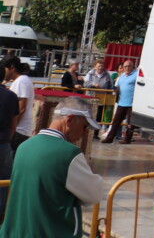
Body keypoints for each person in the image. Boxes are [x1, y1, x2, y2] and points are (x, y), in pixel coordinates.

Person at [0, 99, 105, 238]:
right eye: (85, 126)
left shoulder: (24, 146)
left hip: (18, 231)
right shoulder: (69, 154)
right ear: (70, 120)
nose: (84, 132)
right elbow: (94, 194)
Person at [102, 60, 137, 144]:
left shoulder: (136, 75)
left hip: (132, 103)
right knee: (116, 121)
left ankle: (127, 139)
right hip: (122, 102)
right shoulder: (122, 76)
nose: (127, 68)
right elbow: (118, 86)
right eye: (125, 66)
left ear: (133, 67)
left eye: (129, 66)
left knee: (130, 123)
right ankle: (109, 138)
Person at [3, 58, 34, 150]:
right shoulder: (21, 81)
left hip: (18, 131)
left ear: (11, 68)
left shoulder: (21, 81)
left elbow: (21, 108)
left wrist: (11, 129)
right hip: (18, 131)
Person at [0, 81, 19, 221]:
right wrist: (7, 139)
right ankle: (1, 214)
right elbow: (14, 123)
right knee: (5, 181)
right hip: (3, 144)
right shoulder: (11, 96)